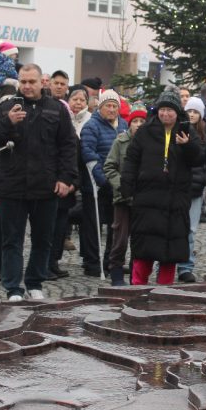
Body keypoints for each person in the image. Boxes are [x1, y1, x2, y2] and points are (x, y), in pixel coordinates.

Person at [0, 64, 78, 301]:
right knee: (12, 240)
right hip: (12, 185)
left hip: (45, 186)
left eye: (31, 82)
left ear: (41, 82)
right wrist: (8, 122)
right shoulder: (6, 107)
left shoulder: (57, 109)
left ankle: (35, 282)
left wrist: (67, 178)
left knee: (42, 239)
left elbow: (68, 145)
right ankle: (13, 288)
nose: (26, 86)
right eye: (22, 82)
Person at [120, 90, 199, 284]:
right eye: (162, 110)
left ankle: (165, 293)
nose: (166, 114)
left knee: (169, 254)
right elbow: (131, 160)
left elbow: (198, 159)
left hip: (175, 201)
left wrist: (187, 146)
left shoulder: (186, 131)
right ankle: (137, 289)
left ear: (177, 112)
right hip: (147, 199)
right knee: (144, 250)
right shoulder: (145, 131)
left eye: (170, 110)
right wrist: (127, 187)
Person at [80, 89, 125, 277]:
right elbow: (89, 153)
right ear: (101, 107)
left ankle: (111, 260)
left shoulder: (123, 125)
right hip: (97, 183)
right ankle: (92, 262)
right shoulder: (91, 126)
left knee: (115, 224)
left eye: (115, 106)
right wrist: (103, 178)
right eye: (108, 105)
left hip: (117, 182)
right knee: (93, 224)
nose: (112, 109)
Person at [104, 108, 147, 286]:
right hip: (122, 198)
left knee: (139, 240)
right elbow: (109, 167)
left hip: (142, 199)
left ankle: (135, 276)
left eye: (141, 122)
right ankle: (116, 274)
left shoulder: (150, 143)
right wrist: (121, 185)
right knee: (120, 239)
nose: (138, 125)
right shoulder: (120, 141)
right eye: (135, 121)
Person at [177, 97, 206, 283]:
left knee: (190, 230)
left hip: (195, 189)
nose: (192, 114)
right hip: (178, 187)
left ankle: (186, 265)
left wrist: (204, 179)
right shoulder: (177, 131)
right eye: (189, 111)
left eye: (195, 112)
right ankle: (167, 263)